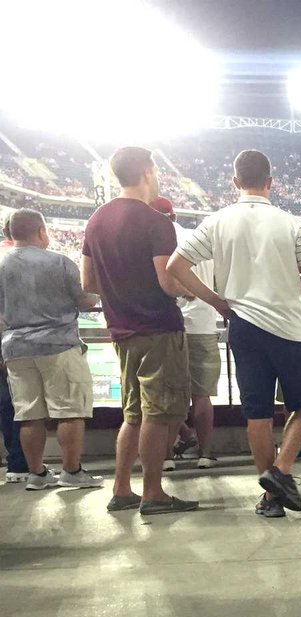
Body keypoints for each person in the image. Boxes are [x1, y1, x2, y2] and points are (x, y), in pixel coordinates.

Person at [167, 150, 301, 518]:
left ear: (234, 182)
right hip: (288, 327)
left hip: (243, 325)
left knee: (258, 413)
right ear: (270, 182)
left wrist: (217, 301)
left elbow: (177, 266)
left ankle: (270, 498)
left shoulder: (216, 222)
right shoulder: (291, 223)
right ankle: (281, 471)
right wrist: (285, 279)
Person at [81, 146, 199, 515]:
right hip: (158, 328)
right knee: (159, 414)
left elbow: (89, 282)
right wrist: (191, 291)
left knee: (133, 413)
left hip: (122, 329)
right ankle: (153, 492)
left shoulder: (97, 219)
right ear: (147, 171)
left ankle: (122, 488)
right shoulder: (155, 222)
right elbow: (167, 282)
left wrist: (123, 291)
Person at [0, 209, 104, 490]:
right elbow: (85, 301)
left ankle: (36, 474)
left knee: (28, 414)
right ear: (41, 231)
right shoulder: (59, 262)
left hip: (16, 348)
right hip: (59, 345)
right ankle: (71, 471)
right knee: (70, 411)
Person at [149, 196, 221, 470]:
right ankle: (205, 453)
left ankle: (167, 457)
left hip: (171, 325)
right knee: (203, 395)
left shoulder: (157, 241)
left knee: (171, 396)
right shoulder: (198, 238)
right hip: (204, 324)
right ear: (175, 214)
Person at [0, 214, 29, 483]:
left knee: (11, 403)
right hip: (14, 340)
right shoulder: (13, 260)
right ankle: (20, 463)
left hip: (9, 339)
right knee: (16, 403)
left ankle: (18, 463)